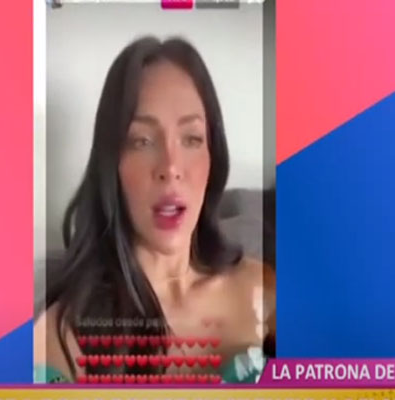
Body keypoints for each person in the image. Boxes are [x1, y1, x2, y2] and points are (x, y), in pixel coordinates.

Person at [34, 36, 275, 384]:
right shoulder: (58, 341)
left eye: (192, 139)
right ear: (112, 164)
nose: (170, 167)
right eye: (142, 141)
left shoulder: (261, 289)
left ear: (213, 157)